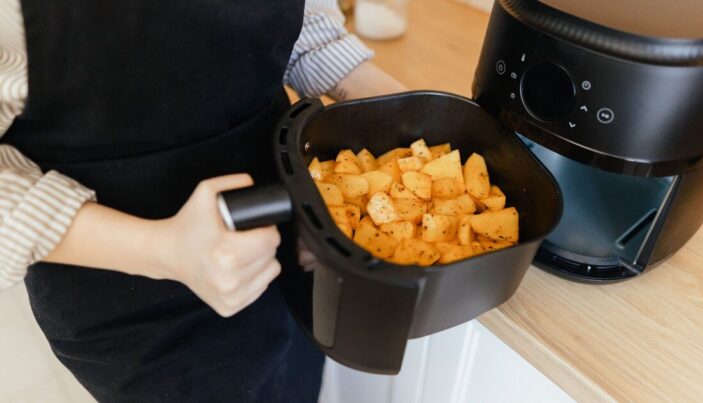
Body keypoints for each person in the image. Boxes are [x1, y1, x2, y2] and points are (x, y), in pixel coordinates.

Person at [0, 0, 406, 401]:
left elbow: (302, 32)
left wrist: (407, 116)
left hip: (288, 243)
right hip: (135, 304)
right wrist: (164, 248)